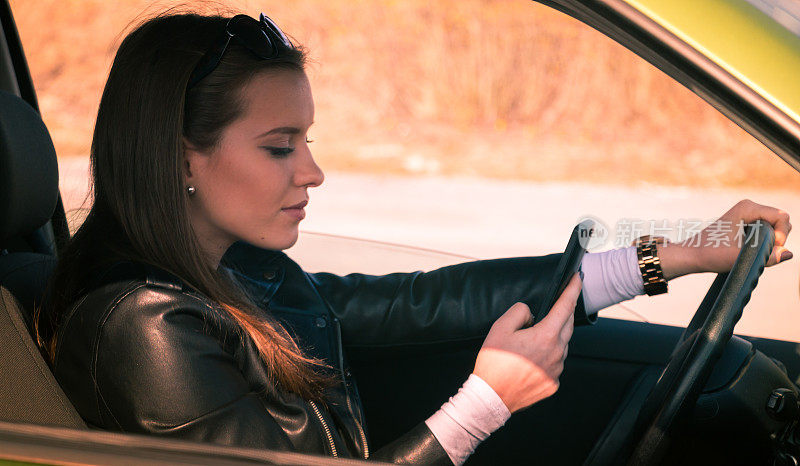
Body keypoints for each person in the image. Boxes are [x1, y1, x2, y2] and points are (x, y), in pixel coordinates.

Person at [36, 11, 793, 465]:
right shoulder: (145, 326)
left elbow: (423, 303)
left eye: (307, 140)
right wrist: (485, 402)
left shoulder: (237, 274)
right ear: (178, 157)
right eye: (279, 146)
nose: (314, 171)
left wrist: (680, 253)